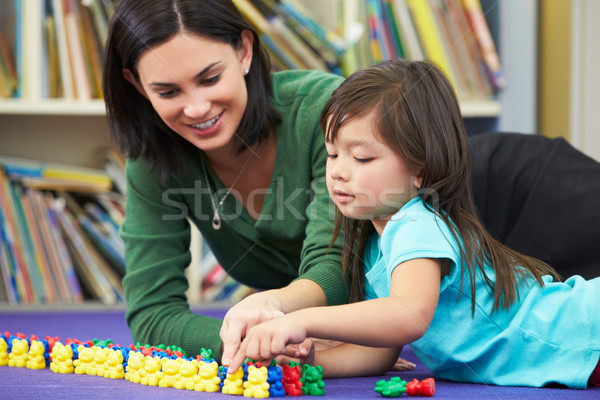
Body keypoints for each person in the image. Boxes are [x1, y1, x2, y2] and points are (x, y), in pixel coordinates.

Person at [104, 0, 600, 366]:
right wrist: (265, 345)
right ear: (135, 85)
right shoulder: (153, 160)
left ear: (244, 51)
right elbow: (152, 317)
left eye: (209, 78)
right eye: (167, 90)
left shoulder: (333, 120)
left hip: (511, 194)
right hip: (461, 295)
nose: (195, 108)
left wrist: (280, 314)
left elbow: (338, 269)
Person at [227, 59, 600, 389]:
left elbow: (407, 316)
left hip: (584, 331)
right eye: (332, 154)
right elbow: (379, 352)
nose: (338, 172)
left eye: (361, 157)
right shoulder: (376, 245)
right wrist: (313, 360)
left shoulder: (417, 223)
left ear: (419, 168)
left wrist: (302, 322)